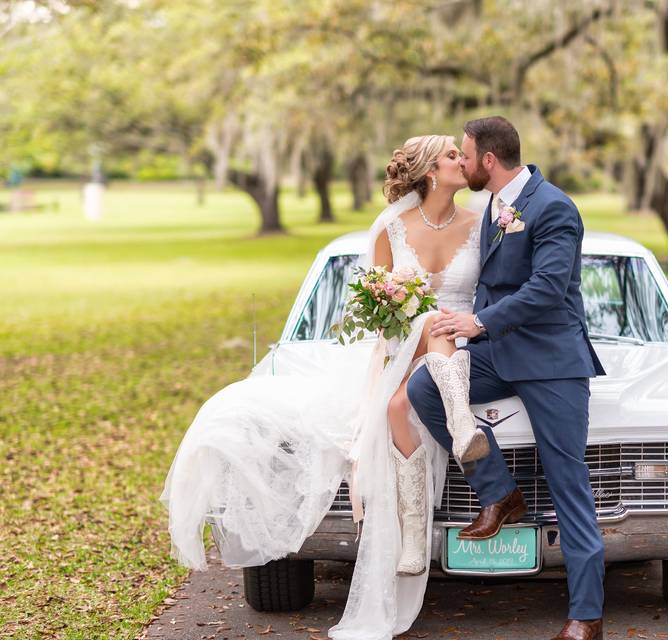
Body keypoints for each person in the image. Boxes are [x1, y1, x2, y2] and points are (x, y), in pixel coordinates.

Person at [161, 134, 485, 640]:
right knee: (398, 393)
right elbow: (371, 313)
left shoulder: (482, 224)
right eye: (451, 156)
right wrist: (397, 326)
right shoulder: (390, 229)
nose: (462, 163)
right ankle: (423, 510)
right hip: (400, 348)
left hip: (464, 349)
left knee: (416, 373)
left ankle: (421, 524)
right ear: (428, 171)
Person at [407, 116, 607, 640]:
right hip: (498, 352)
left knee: (569, 480)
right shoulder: (494, 206)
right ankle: (500, 492)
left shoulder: (554, 206)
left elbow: (547, 287)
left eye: (466, 156)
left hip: (551, 360)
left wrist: (478, 323)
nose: (463, 163)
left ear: (489, 162)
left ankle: (586, 617)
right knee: (426, 386)